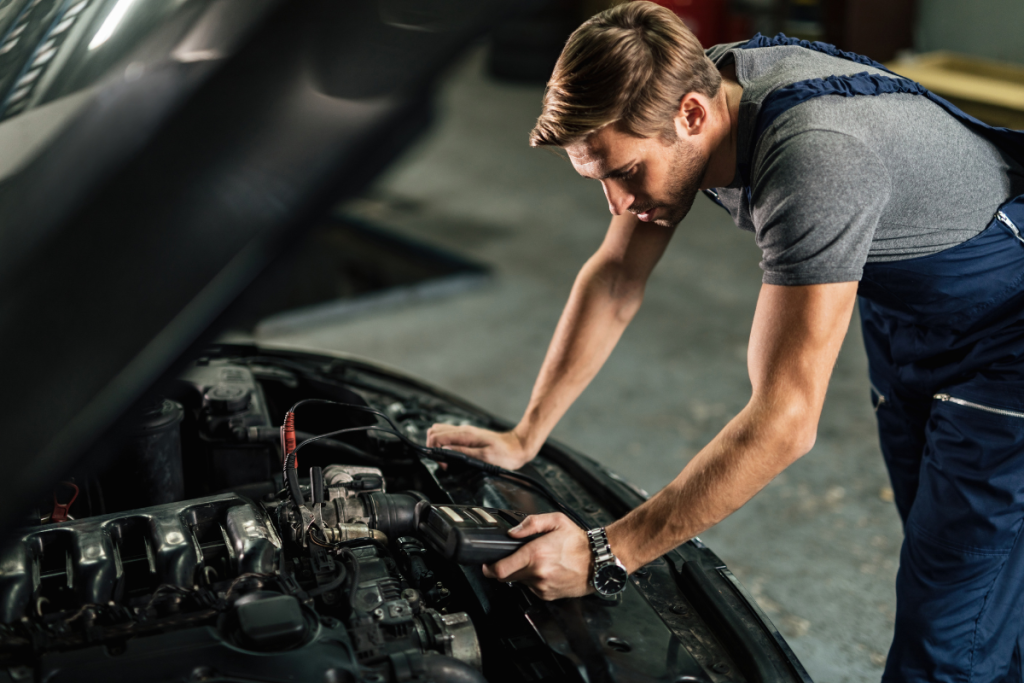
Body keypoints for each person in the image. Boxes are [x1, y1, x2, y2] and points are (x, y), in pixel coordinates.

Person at [426, 3, 1024, 680]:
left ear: (691, 115)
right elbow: (619, 274)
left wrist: (605, 553)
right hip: (908, 316)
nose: (619, 205)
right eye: (599, 181)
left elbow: (784, 423)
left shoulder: (816, 162)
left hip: (1007, 337)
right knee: (972, 562)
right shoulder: (703, 90)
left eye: (625, 173)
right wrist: (525, 433)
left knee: (946, 627)